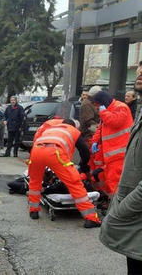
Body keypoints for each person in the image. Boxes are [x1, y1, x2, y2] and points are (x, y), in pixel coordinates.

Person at [100, 67, 142, 274]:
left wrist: (118, 213)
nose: (140, 72)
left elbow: (113, 122)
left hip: (117, 160)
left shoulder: (120, 108)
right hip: (114, 160)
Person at [27, 118, 101, 228]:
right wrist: (84, 164)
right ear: (74, 126)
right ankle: (91, 218)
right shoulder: (73, 131)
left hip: (36, 151)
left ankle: (33, 211)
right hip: (55, 153)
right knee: (74, 183)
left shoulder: (51, 129)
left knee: (35, 181)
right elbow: (84, 150)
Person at [90, 91, 133, 199]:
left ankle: (117, 208)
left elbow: (115, 122)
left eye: (97, 105)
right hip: (111, 154)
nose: (96, 108)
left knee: (115, 183)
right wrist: (95, 141)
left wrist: (103, 112)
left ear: (102, 102)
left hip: (119, 153)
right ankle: (113, 205)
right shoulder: (107, 110)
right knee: (109, 181)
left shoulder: (121, 107)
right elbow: (100, 129)